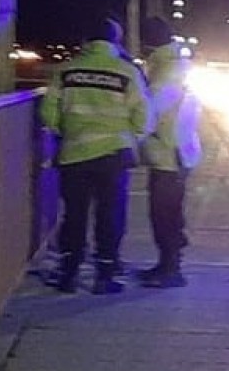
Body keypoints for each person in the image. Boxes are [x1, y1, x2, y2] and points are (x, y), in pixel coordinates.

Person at [40, 19, 150, 293]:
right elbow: (144, 116)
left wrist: (64, 131)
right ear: (116, 40)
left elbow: (48, 111)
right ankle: (105, 274)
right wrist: (130, 137)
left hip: (74, 154)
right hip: (113, 155)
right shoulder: (127, 71)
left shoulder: (67, 70)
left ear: (86, 40)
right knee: (109, 214)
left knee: (74, 214)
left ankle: (69, 273)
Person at [138, 17, 202, 287]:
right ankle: (166, 265)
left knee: (164, 214)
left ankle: (170, 269)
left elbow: (149, 113)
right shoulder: (172, 66)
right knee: (168, 213)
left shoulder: (166, 72)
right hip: (176, 151)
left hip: (169, 154)